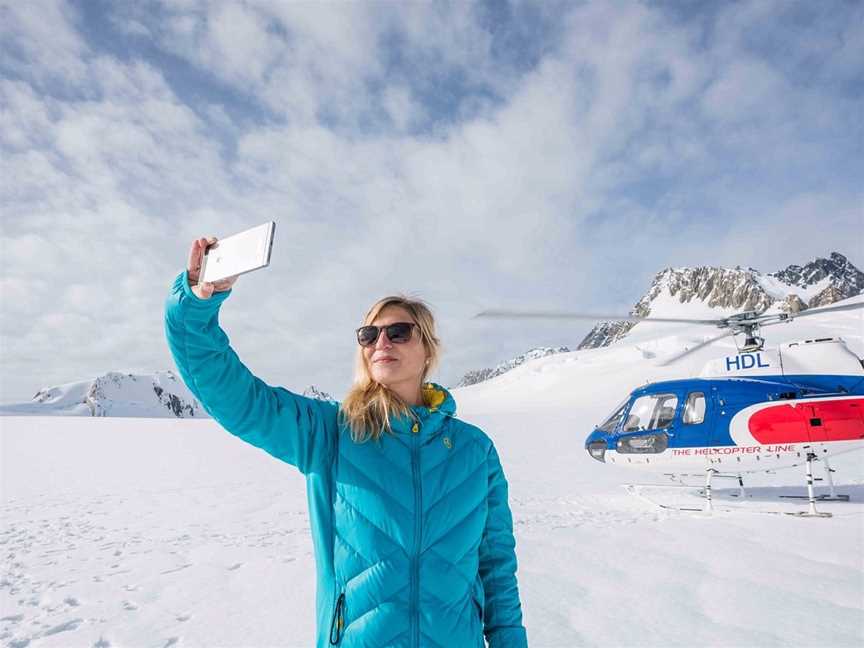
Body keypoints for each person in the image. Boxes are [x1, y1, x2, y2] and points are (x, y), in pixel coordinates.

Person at [164, 236, 528, 648]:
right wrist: (196, 303)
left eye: (399, 331)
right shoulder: (332, 432)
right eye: (369, 334)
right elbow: (237, 398)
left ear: (428, 348)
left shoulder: (474, 450)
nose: (381, 342)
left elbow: (496, 567)